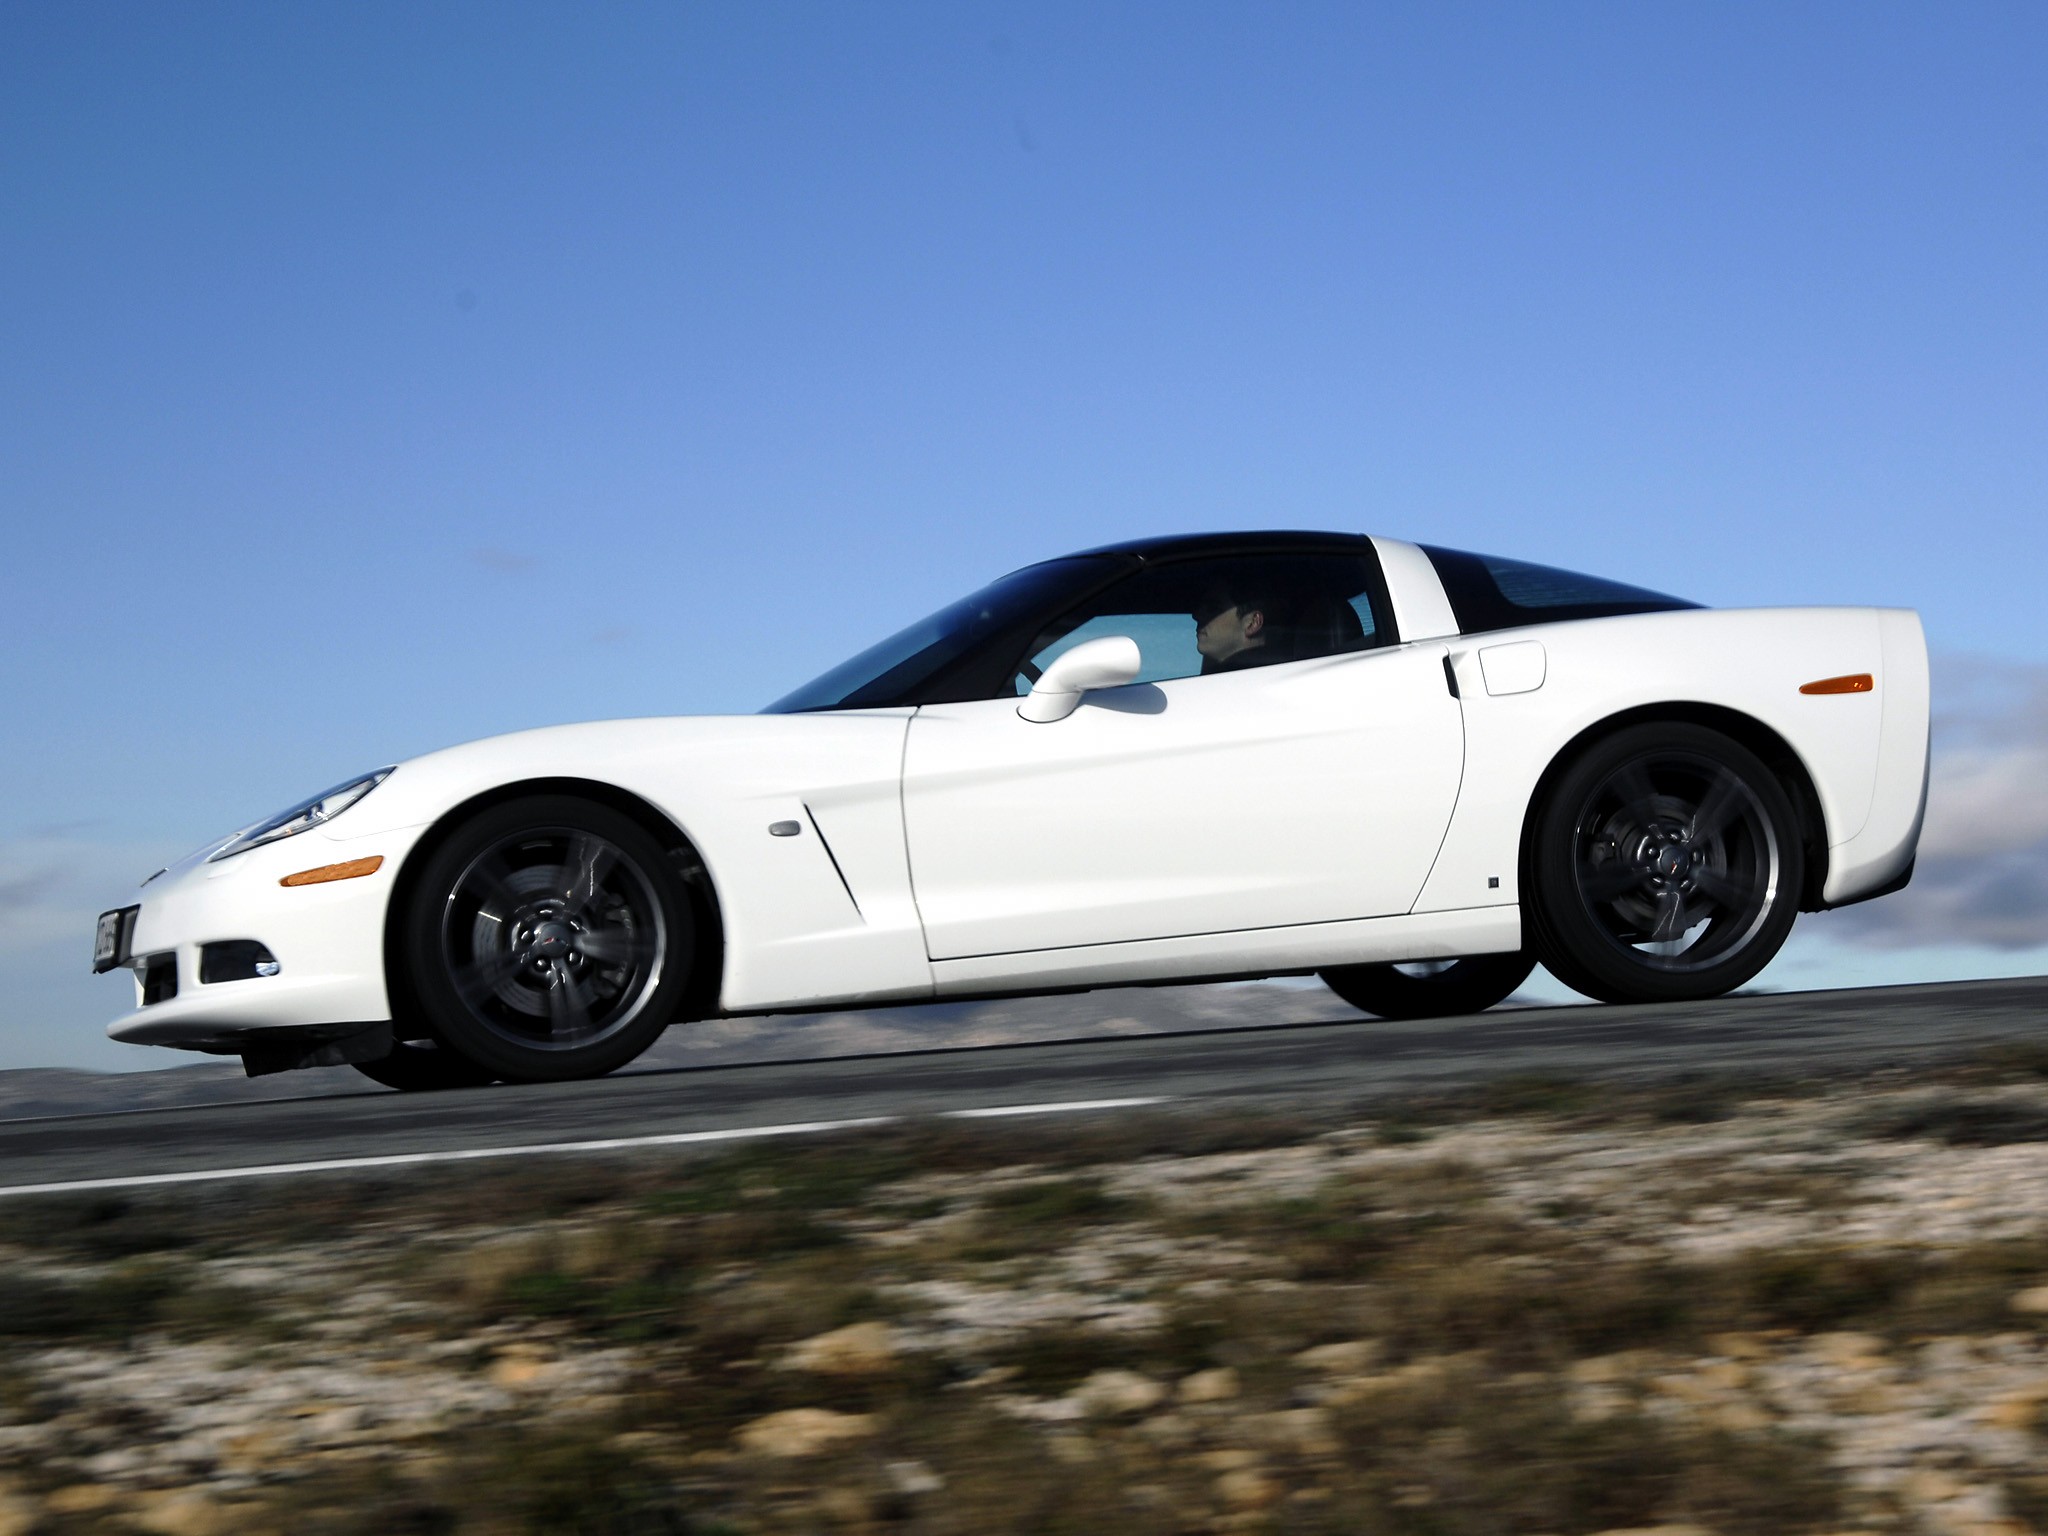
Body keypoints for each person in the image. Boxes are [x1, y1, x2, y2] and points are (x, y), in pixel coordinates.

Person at [1193, 578, 1290, 674]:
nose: (1196, 616)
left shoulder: (1243, 682)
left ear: (1252, 623)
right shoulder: (1275, 676)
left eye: (1213, 608)